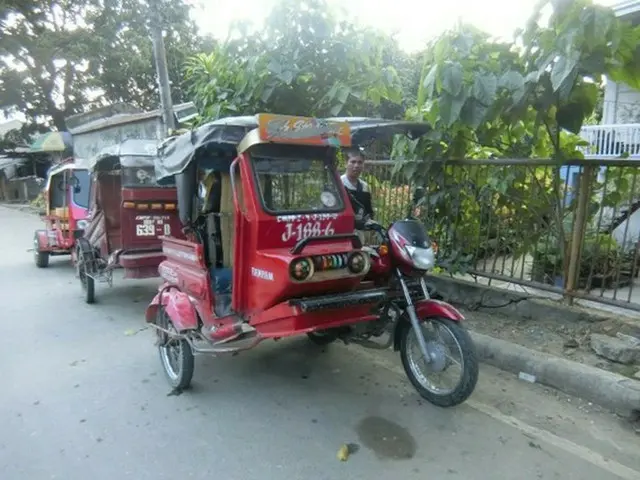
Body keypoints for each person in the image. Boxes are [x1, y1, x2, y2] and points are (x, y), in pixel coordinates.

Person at [341, 147, 374, 227]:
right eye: (353, 162)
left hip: (360, 231)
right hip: (342, 228)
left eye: (360, 162)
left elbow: (368, 211)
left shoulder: (364, 186)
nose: (356, 165)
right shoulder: (339, 184)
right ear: (346, 163)